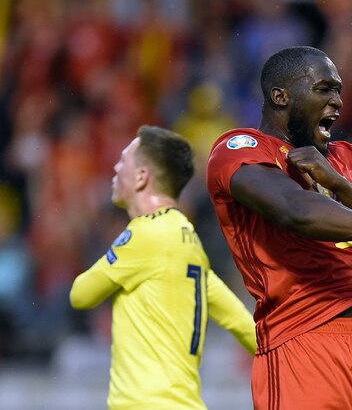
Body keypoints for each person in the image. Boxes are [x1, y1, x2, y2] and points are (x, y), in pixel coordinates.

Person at [206, 45, 352, 409]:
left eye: (339, 91)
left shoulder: (343, 158)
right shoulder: (241, 149)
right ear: (280, 96)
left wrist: (340, 185)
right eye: (324, 89)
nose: (337, 102)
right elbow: (297, 211)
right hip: (303, 339)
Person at [69, 125, 257, 409]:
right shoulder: (191, 245)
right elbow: (242, 325)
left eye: (123, 161)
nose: (116, 168)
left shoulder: (143, 236)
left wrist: (117, 255)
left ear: (142, 176)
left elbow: (80, 294)